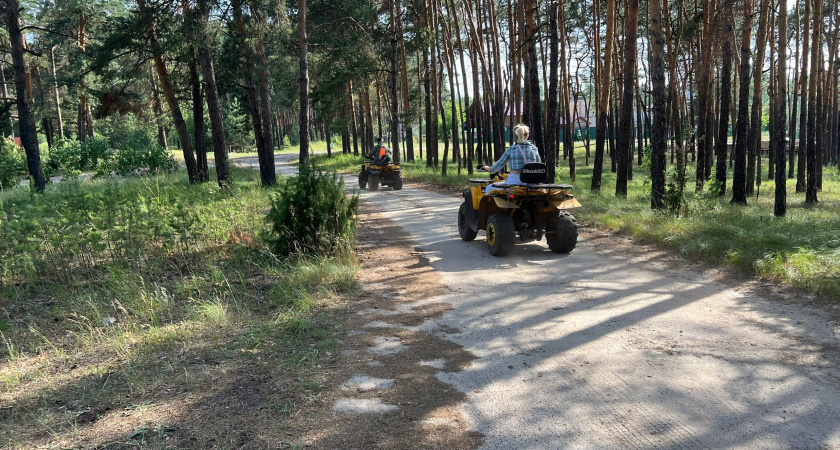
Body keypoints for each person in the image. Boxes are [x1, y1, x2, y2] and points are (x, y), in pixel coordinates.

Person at [481, 124, 541, 193]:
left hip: (514, 181)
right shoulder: (534, 149)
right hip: (530, 182)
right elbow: (539, 166)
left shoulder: (512, 149)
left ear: (516, 137)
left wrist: (489, 168)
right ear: (527, 136)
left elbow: (499, 164)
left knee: (489, 188)